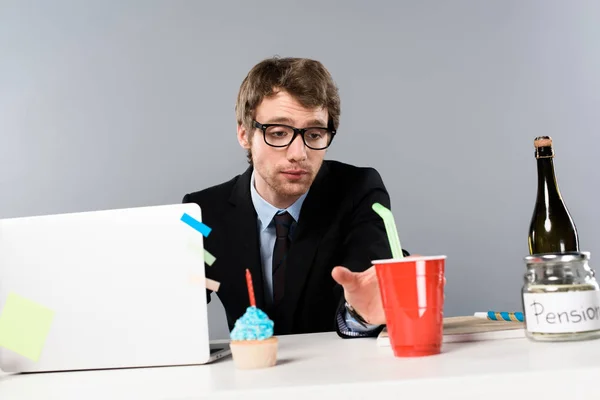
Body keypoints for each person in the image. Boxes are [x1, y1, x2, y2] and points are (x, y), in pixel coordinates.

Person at [182, 56, 409, 338]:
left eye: (314, 135)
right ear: (244, 134)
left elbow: (367, 291)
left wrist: (360, 315)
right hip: (248, 374)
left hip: (340, 374)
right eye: (278, 133)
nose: (299, 153)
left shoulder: (358, 191)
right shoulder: (203, 213)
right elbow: (175, 308)